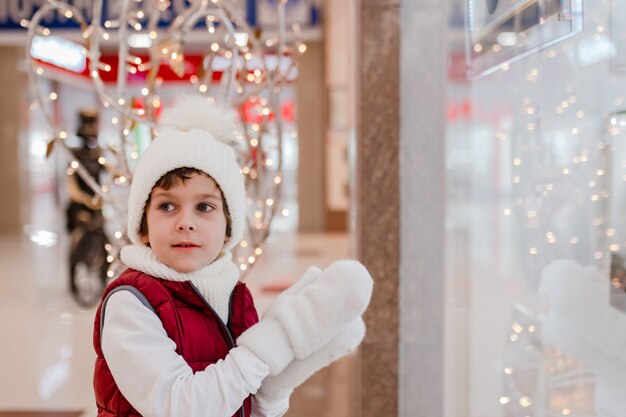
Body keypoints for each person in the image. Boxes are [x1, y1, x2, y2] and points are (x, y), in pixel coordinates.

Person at [92, 96, 373, 417]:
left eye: (204, 207)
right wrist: (275, 340)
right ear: (142, 226)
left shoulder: (236, 297)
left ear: (229, 227)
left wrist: (273, 389)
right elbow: (181, 408)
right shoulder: (131, 304)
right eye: (167, 206)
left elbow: (242, 406)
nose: (186, 221)